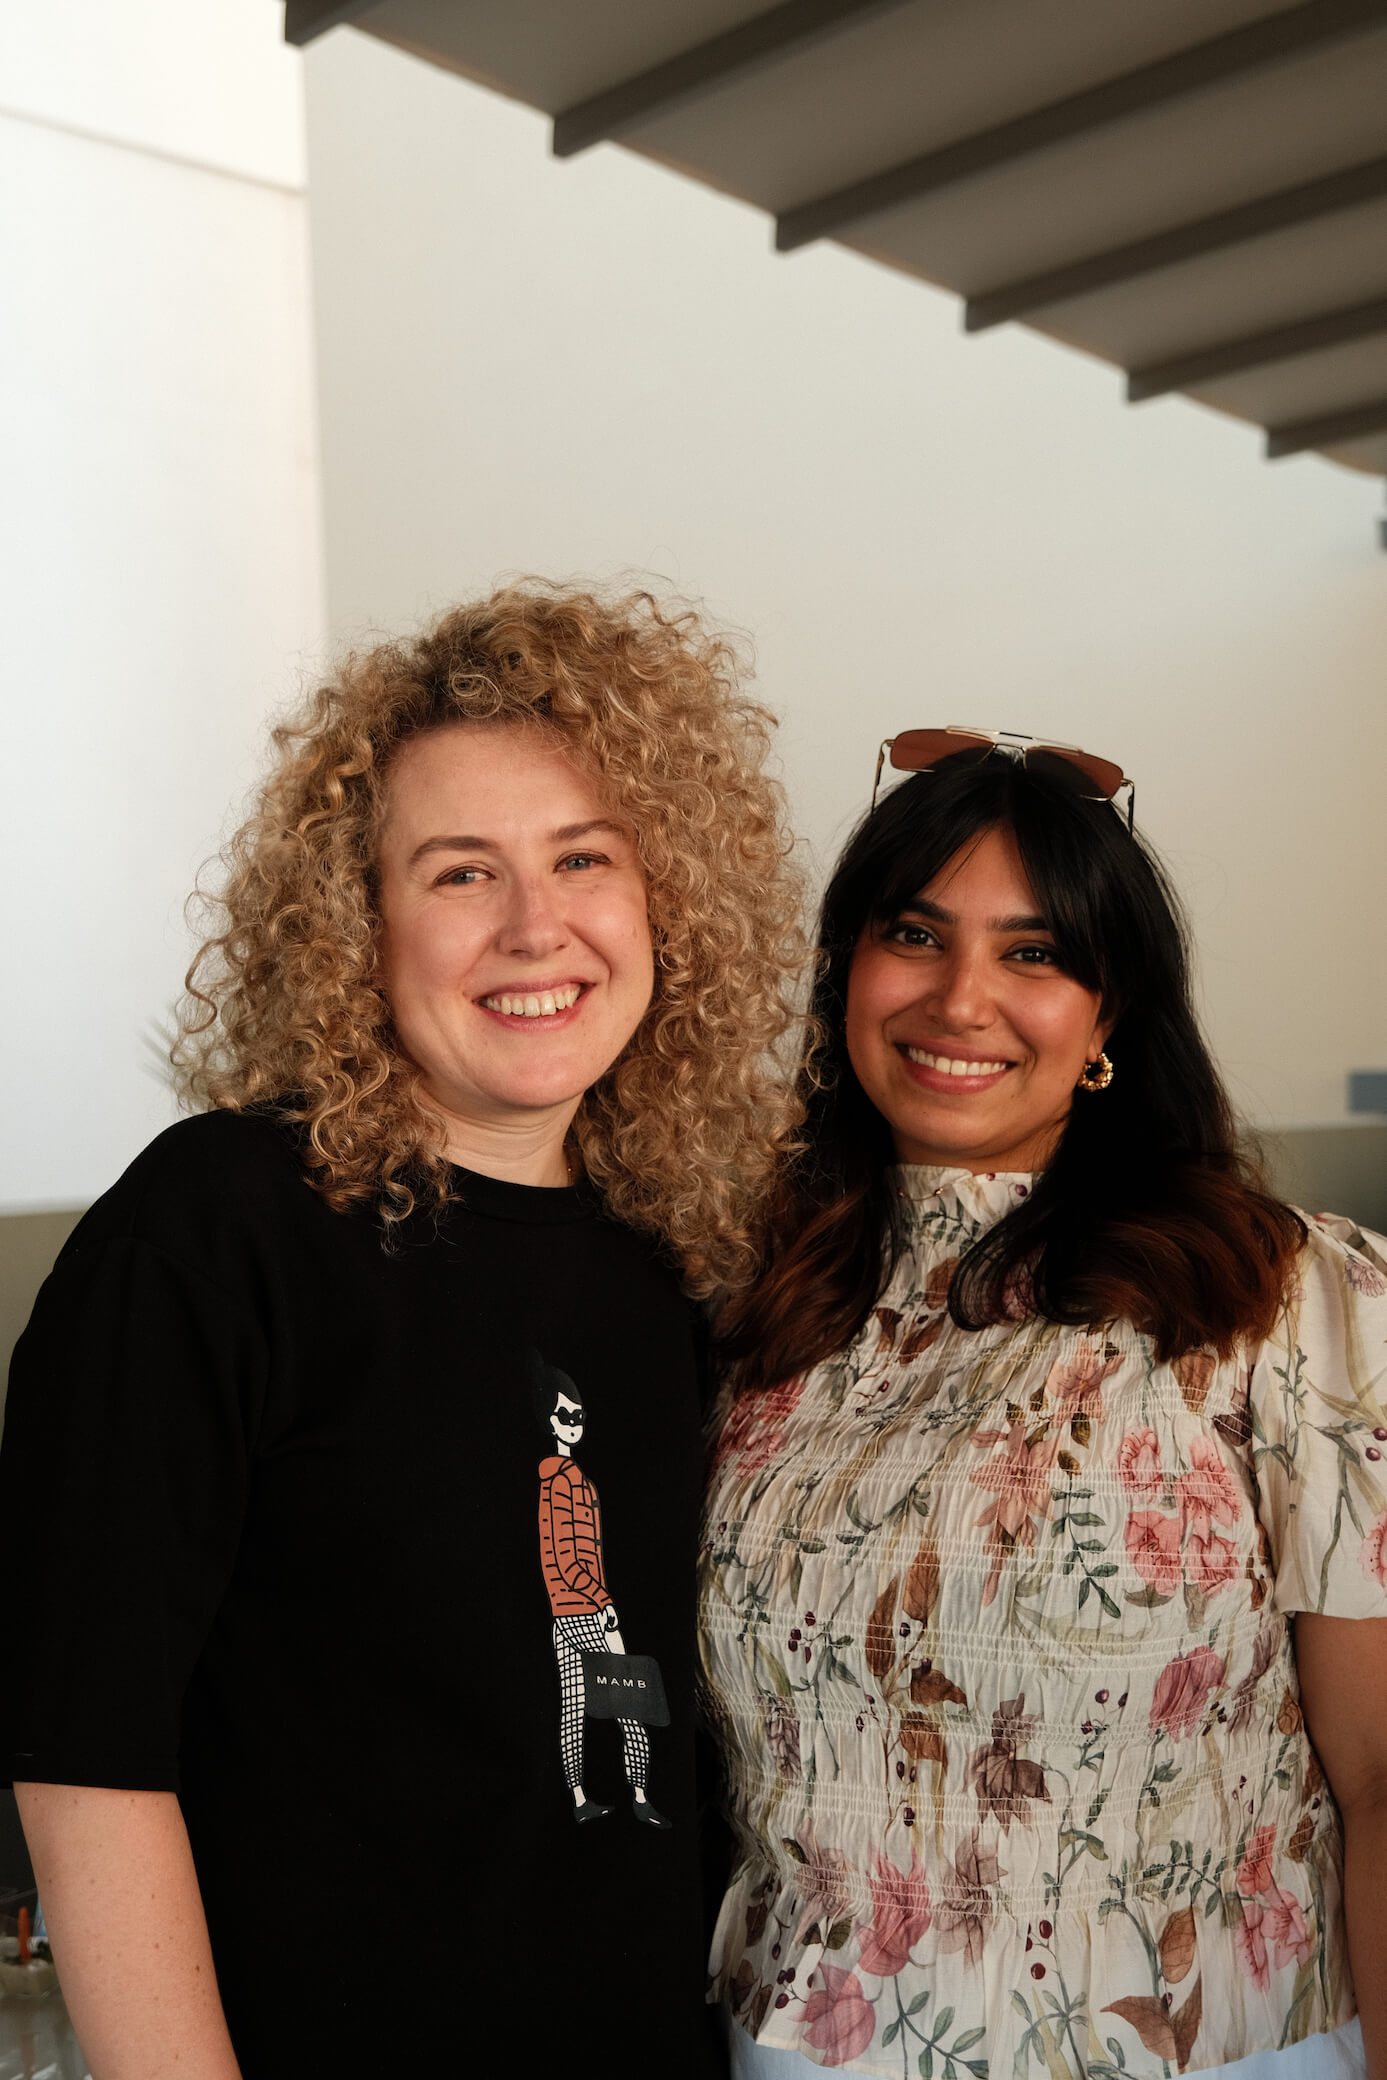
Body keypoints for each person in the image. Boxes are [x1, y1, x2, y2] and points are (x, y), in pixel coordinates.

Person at [0, 583, 805, 2080]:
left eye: (584, 858)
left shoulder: (682, 1257)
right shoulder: (214, 1234)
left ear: (669, 902)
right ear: (353, 926)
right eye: (460, 873)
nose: (536, 927)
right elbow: (84, 1761)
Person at [702, 728, 1387, 2080]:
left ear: (1109, 1016)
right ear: (845, 971)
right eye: (915, 934)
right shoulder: (748, 1298)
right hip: (793, 2052)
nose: (962, 1000)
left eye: (1035, 953)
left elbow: (1380, 1777)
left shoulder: (1285, 1299)